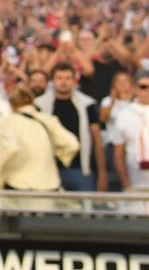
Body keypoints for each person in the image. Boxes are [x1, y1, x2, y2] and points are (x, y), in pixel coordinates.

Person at [0, 84, 79, 192]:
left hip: (19, 185)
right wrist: (58, 156)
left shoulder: (10, 121)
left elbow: (10, 148)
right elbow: (72, 144)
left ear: (12, 105)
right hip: (49, 185)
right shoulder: (48, 119)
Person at [34, 63, 108, 191]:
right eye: (59, 78)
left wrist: (102, 173)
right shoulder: (40, 105)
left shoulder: (87, 105)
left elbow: (96, 139)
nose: (63, 82)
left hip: (80, 169)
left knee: (86, 209)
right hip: (49, 170)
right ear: (52, 81)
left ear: (74, 81)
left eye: (68, 78)